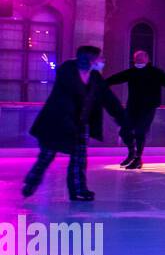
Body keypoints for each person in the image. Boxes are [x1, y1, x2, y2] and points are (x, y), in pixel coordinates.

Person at [22, 45, 129, 202]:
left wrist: (123, 120)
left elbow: (109, 99)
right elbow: (62, 101)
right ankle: (31, 182)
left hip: (80, 123)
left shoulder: (95, 78)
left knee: (79, 158)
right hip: (58, 122)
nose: (103, 61)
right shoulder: (67, 72)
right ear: (90, 59)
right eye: (100, 58)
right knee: (47, 155)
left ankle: (79, 190)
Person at [104, 50, 165, 170]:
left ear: (147, 59)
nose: (139, 60)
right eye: (137, 58)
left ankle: (137, 158)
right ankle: (132, 153)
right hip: (133, 106)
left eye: (141, 58)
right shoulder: (132, 72)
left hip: (148, 107)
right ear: (134, 60)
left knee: (140, 131)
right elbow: (114, 79)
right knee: (124, 132)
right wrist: (99, 85)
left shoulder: (156, 73)